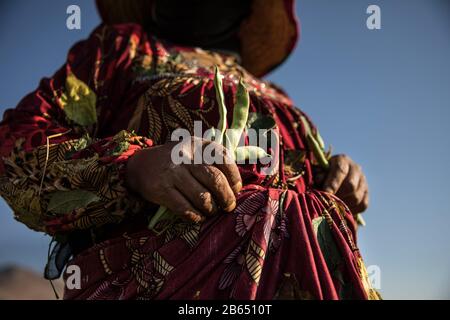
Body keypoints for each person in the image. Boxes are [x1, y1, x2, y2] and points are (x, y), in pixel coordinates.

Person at [0, 0, 379, 299]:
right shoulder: (120, 50)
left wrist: (337, 178)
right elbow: (17, 147)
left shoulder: (276, 95)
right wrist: (135, 167)